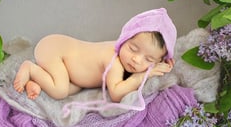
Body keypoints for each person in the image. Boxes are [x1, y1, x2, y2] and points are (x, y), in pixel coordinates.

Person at [13, 8, 177, 107]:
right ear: (125, 39)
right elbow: (116, 94)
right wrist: (142, 75)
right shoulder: (115, 62)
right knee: (60, 90)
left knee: (74, 88)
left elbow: (154, 55)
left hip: (68, 65)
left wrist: (163, 63)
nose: (137, 60)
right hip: (56, 50)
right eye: (133, 49)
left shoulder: (132, 56)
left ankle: (38, 80)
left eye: (149, 60)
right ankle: (31, 68)